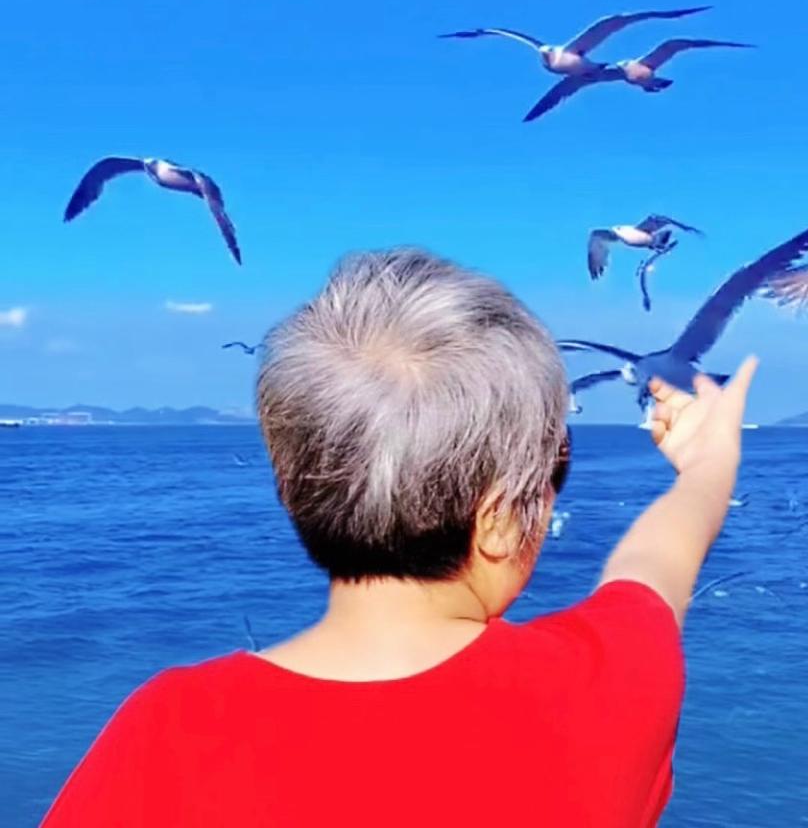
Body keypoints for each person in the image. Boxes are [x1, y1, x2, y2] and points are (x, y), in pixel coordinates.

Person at [43, 248, 756, 827]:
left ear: (290, 483)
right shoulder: (604, 692)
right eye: (551, 476)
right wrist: (707, 466)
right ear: (502, 517)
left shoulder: (169, 728)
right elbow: (656, 565)